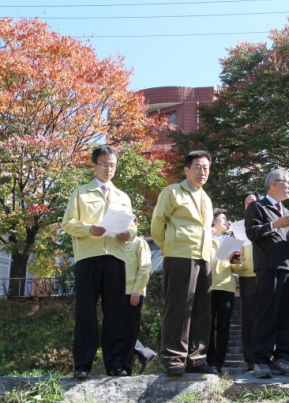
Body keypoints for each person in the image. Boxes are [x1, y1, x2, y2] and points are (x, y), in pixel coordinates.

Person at [62, 144, 137, 379]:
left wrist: (130, 234)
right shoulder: (81, 193)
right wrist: (88, 229)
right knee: (86, 311)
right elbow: (68, 224)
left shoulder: (123, 196)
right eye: (104, 164)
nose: (108, 169)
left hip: (116, 257)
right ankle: (82, 364)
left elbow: (132, 226)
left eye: (112, 165)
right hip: (88, 258)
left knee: (115, 312)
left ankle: (115, 364)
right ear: (94, 165)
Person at [245, 168, 289, 378]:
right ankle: (260, 360)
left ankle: (283, 358)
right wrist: (275, 224)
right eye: (287, 182)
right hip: (268, 267)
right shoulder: (258, 206)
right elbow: (252, 233)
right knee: (266, 314)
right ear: (273, 184)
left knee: (287, 317)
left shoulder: (286, 212)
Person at [151, 150, 216, 376]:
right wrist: (169, 247)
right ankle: (173, 357)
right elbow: (158, 224)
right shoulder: (172, 192)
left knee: (200, 309)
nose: (202, 172)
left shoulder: (206, 198)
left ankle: (197, 358)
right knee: (178, 307)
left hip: (203, 256)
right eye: (198, 167)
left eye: (206, 168)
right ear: (186, 170)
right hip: (179, 255)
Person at [207, 208, 242, 374]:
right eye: (222, 219)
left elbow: (236, 268)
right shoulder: (206, 237)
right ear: (214, 221)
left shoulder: (231, 240)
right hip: (209, 285)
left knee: (223, 326)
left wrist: (236, 261)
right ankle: (207, 360)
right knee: (207, 325)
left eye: (227, 220)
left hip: (227, 285)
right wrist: (207, 232)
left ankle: (218, 363)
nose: (226, 222)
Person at [122, 217, 156, 376]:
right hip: (118, 293)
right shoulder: (119, 244)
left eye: (130, 222)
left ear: (136, 224)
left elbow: (145, 268)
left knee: (129, 329)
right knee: (119, 330)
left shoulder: (139, 243)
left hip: (134, 293)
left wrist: (137, 289)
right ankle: (143, 354)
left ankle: (126, 366)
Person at [237, 191, 261, 373]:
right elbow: (233, 258)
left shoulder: (268, 224)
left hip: (265, 275)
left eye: (252, 201)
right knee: (249, 320)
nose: (249, 204)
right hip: (247, 278)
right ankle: (250, 360)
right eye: (246, 202)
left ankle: (267, 357)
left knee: (266, 317)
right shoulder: (238, 228)